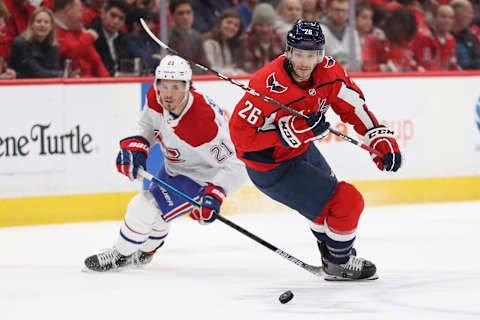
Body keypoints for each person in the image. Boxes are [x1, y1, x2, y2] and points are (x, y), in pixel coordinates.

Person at [229, 20, 402, 281]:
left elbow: (353, 107)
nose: (304, 62)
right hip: (271, 167)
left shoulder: (330, 72)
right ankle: (338, 263)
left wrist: (377, 137)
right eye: (298, 53)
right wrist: (293, 132)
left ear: (321, 54)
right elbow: (242, 141)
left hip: (302, 151)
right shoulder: (266, 84)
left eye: (312, 55)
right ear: (288, 51)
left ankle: (332, 254)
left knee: (328, 212)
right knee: (347, 202)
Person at [84, 55, 247, 272]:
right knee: (159, 215)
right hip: (175, 165)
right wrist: (137, 145)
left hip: (201, 176)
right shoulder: (155, 96)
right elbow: (147, 125)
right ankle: (146, 252)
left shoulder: (203, 123)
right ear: (157, 84)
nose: (168, 93)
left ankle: (120, 255)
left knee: (144, 205)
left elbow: (238, 163)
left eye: (176, 87)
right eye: (164, 85)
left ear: (188, 87)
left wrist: (215, 193)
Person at [54, 0, 109, 77]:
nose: (82, 16)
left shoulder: (77, 31)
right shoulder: (50, 30)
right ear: (68, 9)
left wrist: (107, 81)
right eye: (80, 11)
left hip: (89, 84)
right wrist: (88, 37)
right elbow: (68, 52)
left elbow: (96, 61)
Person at [8, 7, 62, 78]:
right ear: (32, 24)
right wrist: (62, 74)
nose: (42, 25)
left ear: (51, 27)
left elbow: (55, 70)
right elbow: (37, 73)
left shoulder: (53, 45)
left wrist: (59, 74)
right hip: (19, 85)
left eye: (46, 22)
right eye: (38, 21)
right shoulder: (20, 43)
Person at [87, 0, 131, 76]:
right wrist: (116, 75)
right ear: (103, 13)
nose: (116, 21)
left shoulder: (123, 38)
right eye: (113, 15)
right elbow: (95, 69)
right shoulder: (92, 35)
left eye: (121, 19)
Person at [168, 0, 210, 74]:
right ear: (172, 16)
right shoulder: (167, 37)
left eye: (188, 12)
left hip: (200, 79)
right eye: (180, 13)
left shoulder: (197, 36)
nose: (185, 17)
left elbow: (205, 65)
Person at [242, 3, 284, 73]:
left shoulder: (278, 40)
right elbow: (248, 69)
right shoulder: (246, 40)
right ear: (254, 25)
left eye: (269, 25)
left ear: (273, 26)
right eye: (260, 25)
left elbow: (283, 67)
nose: (265, 29)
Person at [203, 8, 245, 75]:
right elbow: (209, 69)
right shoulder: (209, 43)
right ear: (220, 23)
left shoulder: (226, 43)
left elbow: (228, 67)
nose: (232, 27)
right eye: (229, 22)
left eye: (236, 25)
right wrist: (234, 73)